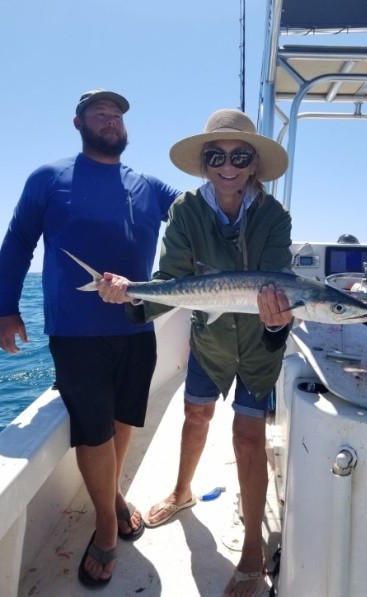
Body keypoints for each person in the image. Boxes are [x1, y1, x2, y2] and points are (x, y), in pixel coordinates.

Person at [96, 108, 294, 597]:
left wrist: (275, 325)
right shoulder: (185, 211)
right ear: (205, 163)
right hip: (209, 340)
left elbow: (275, 288)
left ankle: (251, 549)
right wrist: (132, 293)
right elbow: (171, 280)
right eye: (216, 155)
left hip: (258, 348)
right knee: (195, 415)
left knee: (248, 439)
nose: (227, 165)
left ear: (253, 165)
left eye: (239, 155)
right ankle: (183, 491)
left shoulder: (274, 217)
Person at [0, 89, 180, 588]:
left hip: (137, 325)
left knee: (123, 419)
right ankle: (105, 521)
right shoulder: (48, 178)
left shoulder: (147, 185)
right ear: (77, 123)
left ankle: (113, 495)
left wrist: (238, 179)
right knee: (93, 429)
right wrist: (6, 308)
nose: (111, 120)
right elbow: (16, 243)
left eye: (118, 114)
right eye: (100, 113)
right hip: (77, 333)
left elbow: (198, 215)